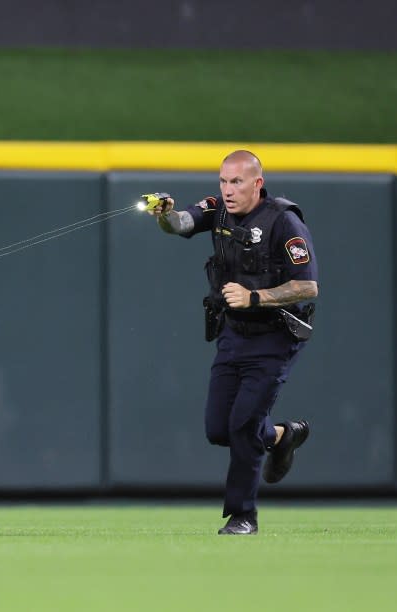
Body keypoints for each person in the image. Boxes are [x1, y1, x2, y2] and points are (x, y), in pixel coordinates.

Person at [148, 150, 318, 535]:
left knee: (243, 425)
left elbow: (308, 285)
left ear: (257, 183)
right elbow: (182, 223)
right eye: (223, 181)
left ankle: (243, 516)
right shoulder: (219, 210)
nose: (227, 190)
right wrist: (164, 215)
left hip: (275, 336)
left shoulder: (283, 220)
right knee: (219, 429)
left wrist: (256, 297)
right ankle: (280, 435)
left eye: (237, 182)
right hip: (233, 333)